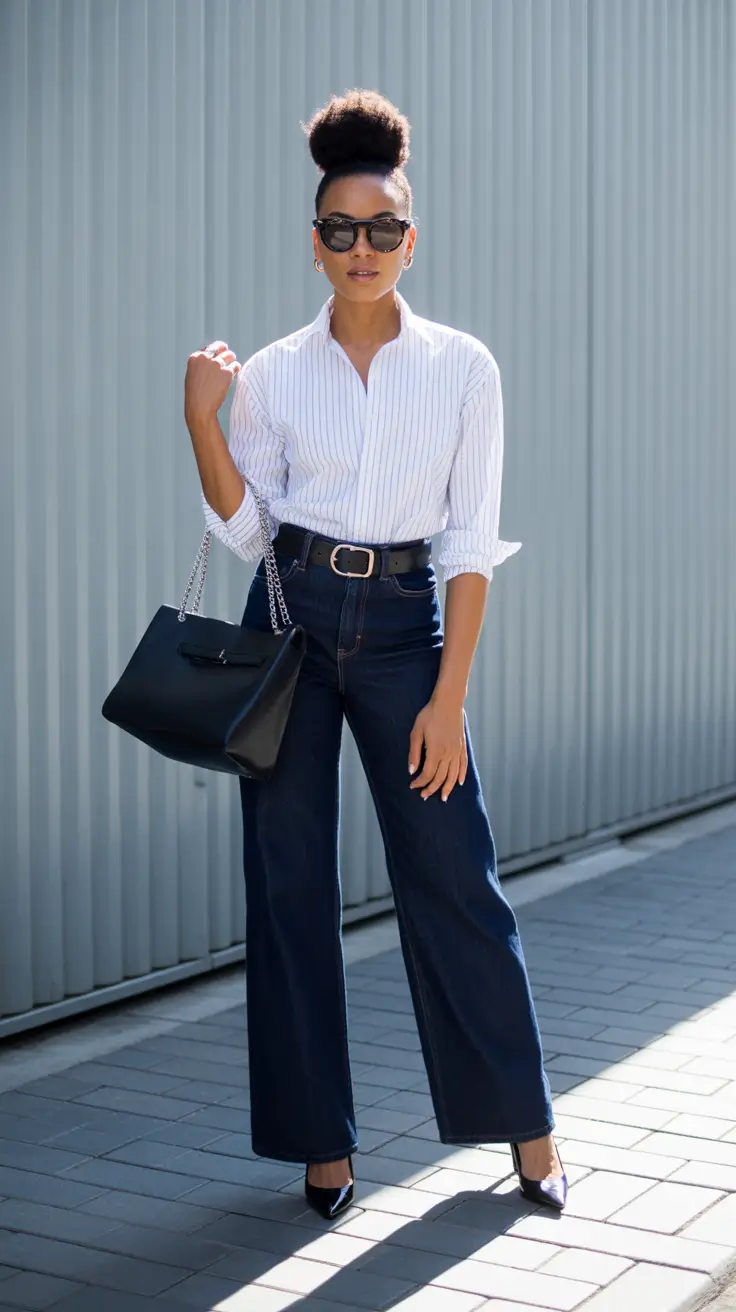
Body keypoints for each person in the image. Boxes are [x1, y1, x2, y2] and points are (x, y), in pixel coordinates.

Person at [184, 89, 566, 1219]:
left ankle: (530, 1132)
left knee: (455, 877)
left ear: (412, 235)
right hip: (290, 624)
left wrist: (450, 694)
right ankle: (324, 1149)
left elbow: (468, 543)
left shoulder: (463, 368)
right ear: (314, 244)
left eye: (383, 227)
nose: (363, 248)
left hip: (407, 635)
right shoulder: (269, 371)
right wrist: (202, 418)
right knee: (290, 884)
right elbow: (243, 526)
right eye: (341, 230)